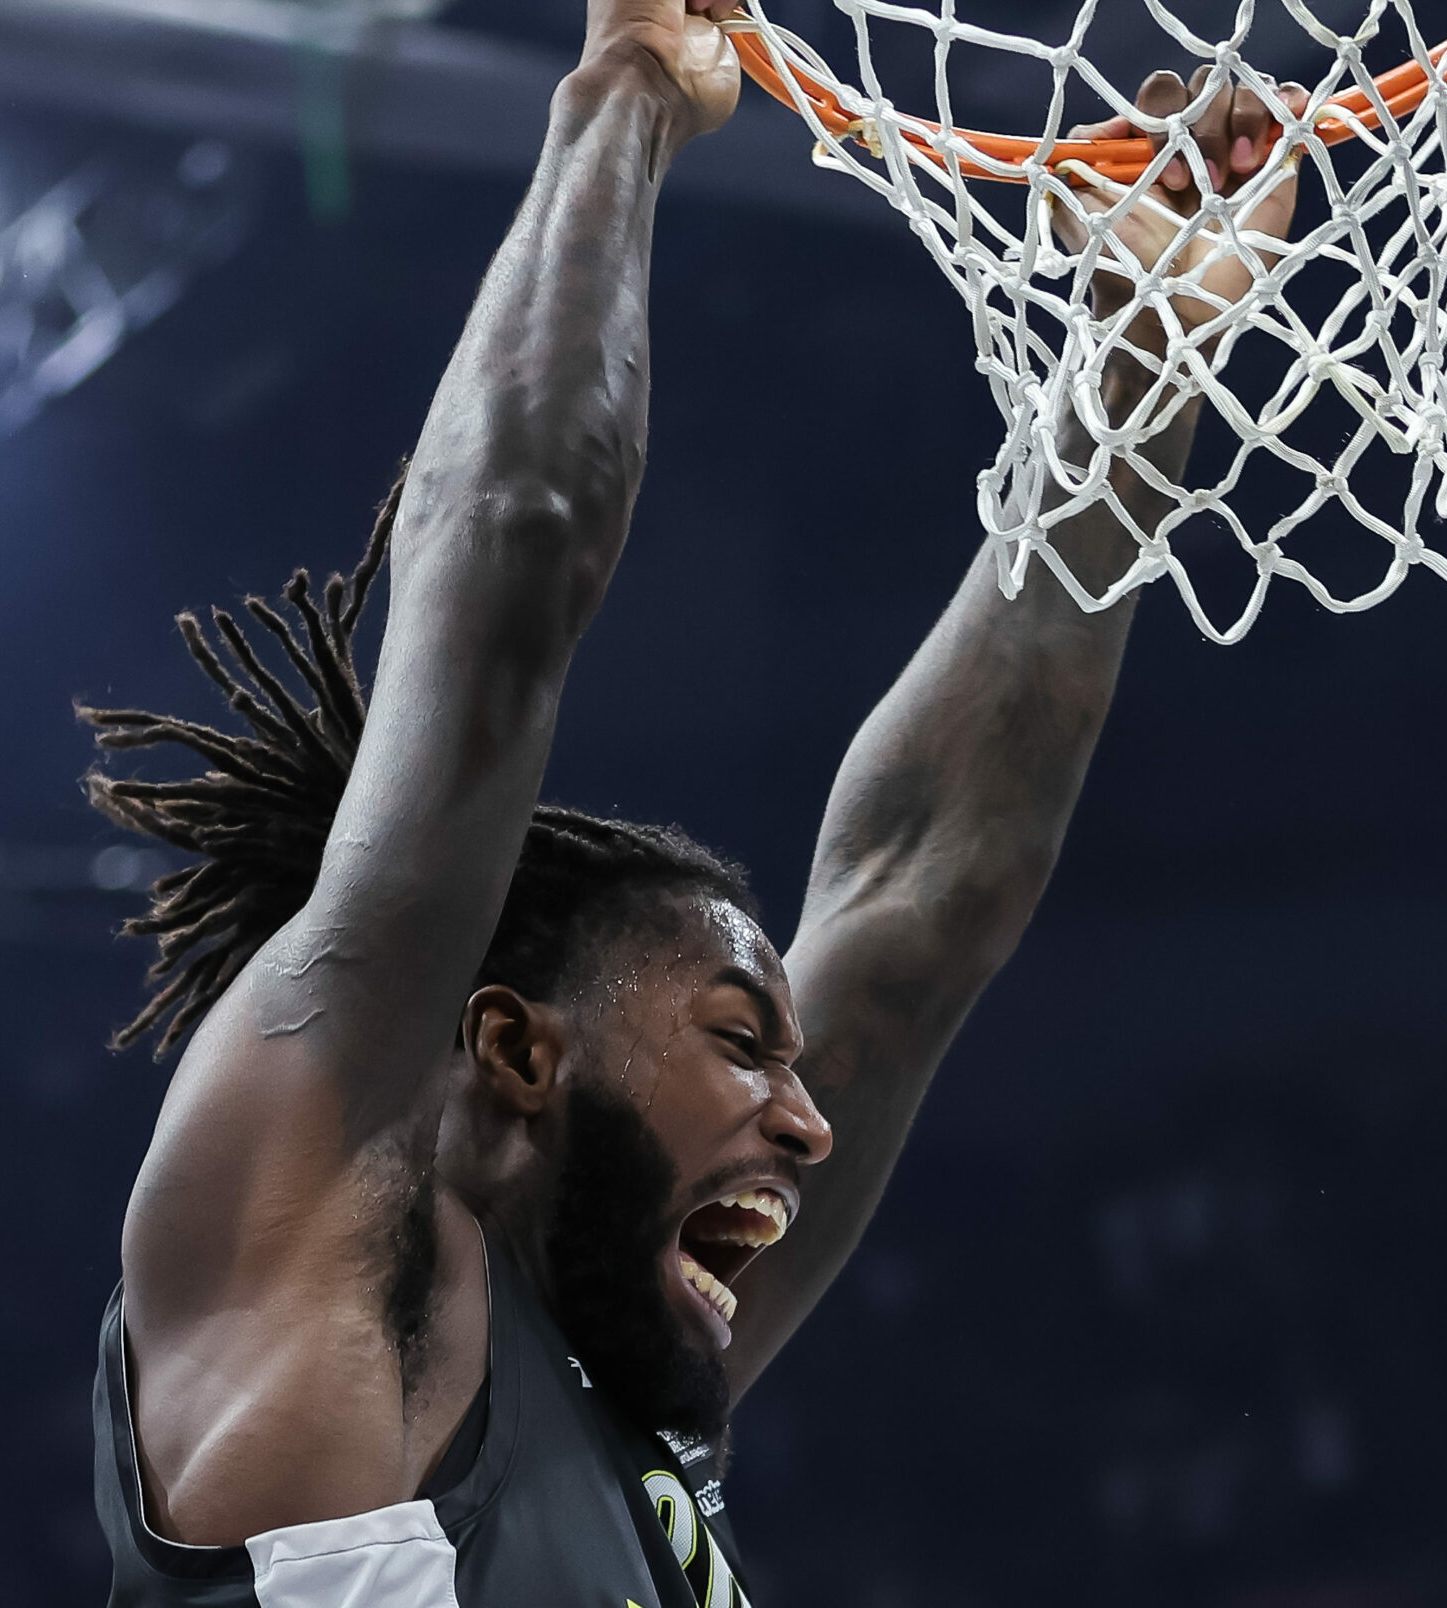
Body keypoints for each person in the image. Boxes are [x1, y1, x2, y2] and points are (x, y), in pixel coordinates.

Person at [78, 0, 1305, 1600]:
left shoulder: (616, 1406)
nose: (805, 1119)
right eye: (742, 1041)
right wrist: (627, 91)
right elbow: (511, 548)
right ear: (515, 1046)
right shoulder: (324, 1265)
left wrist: (1142, 366)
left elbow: (928, 892)